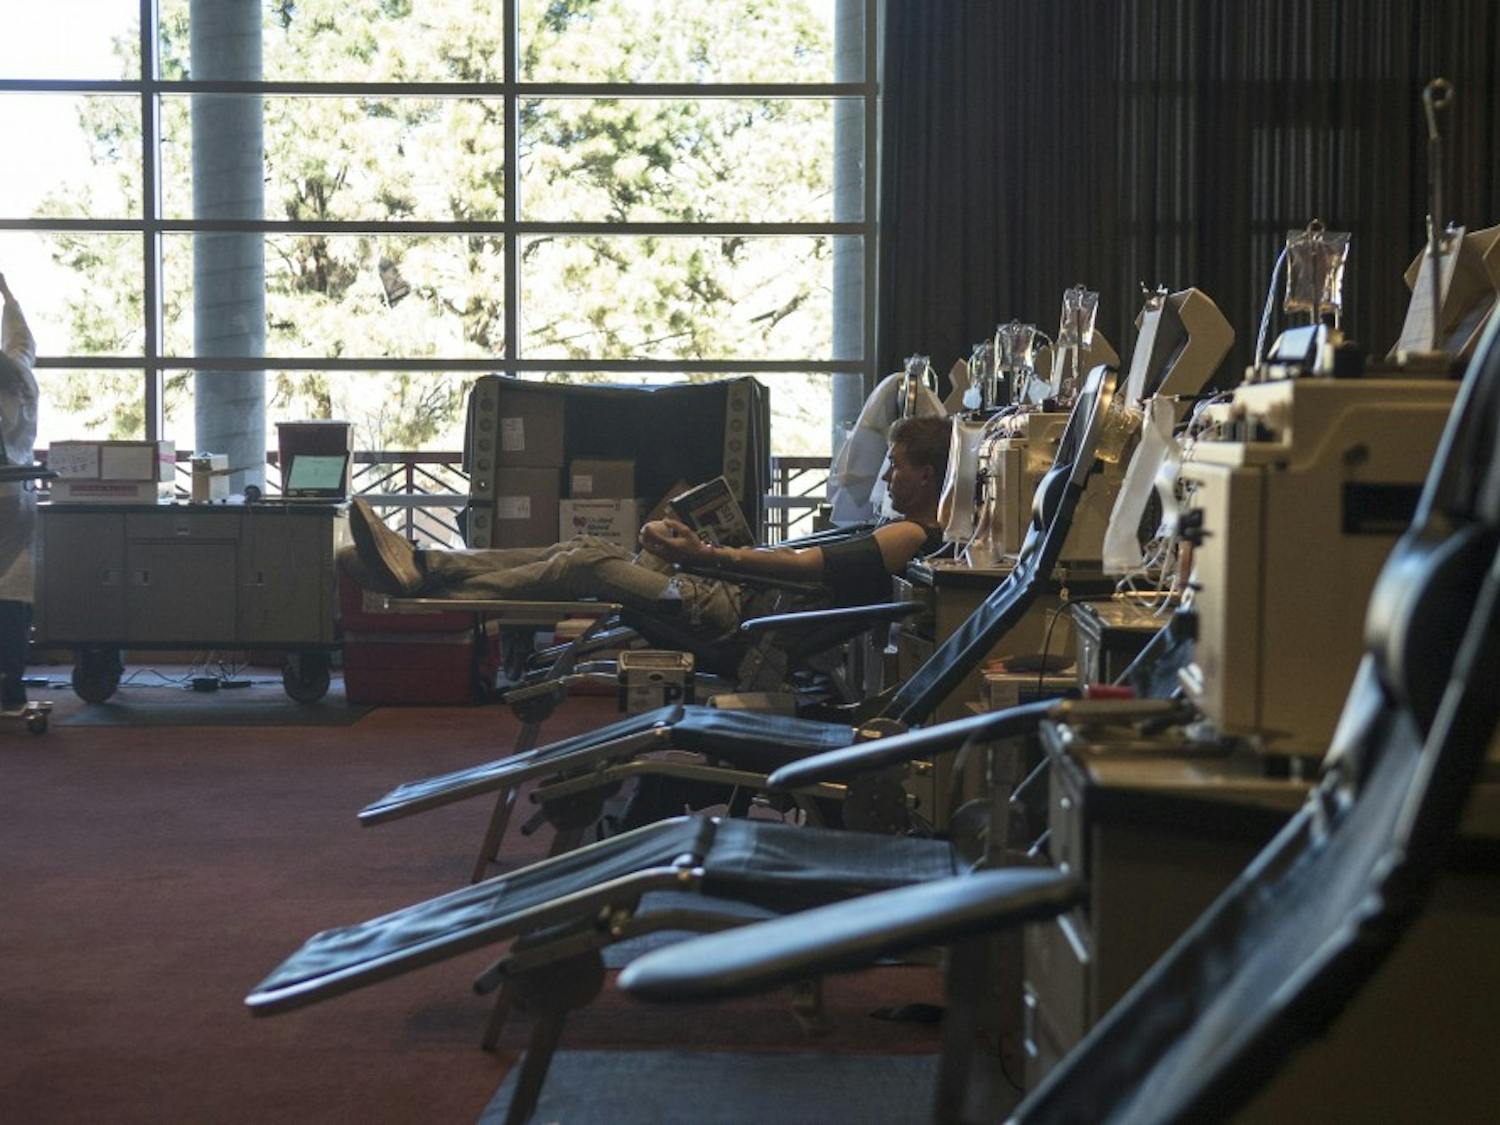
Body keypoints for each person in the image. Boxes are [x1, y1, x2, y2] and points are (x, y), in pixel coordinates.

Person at [346, 415, 953, 638]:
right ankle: (425, 565)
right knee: (583, 545)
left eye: (897, 467)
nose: (887, 476)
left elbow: (802, 571)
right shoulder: (903, 528)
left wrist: (704, 555)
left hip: (728, 613)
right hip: (727, 592)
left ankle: (427, 576)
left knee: (585, 564)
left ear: (927, 476)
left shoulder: (911, 536)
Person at [0, 273, 40, 715]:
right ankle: (11, 683)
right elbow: (22, 340)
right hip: (21, 499)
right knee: (12, 592)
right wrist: (8, 296)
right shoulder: (23, 378)